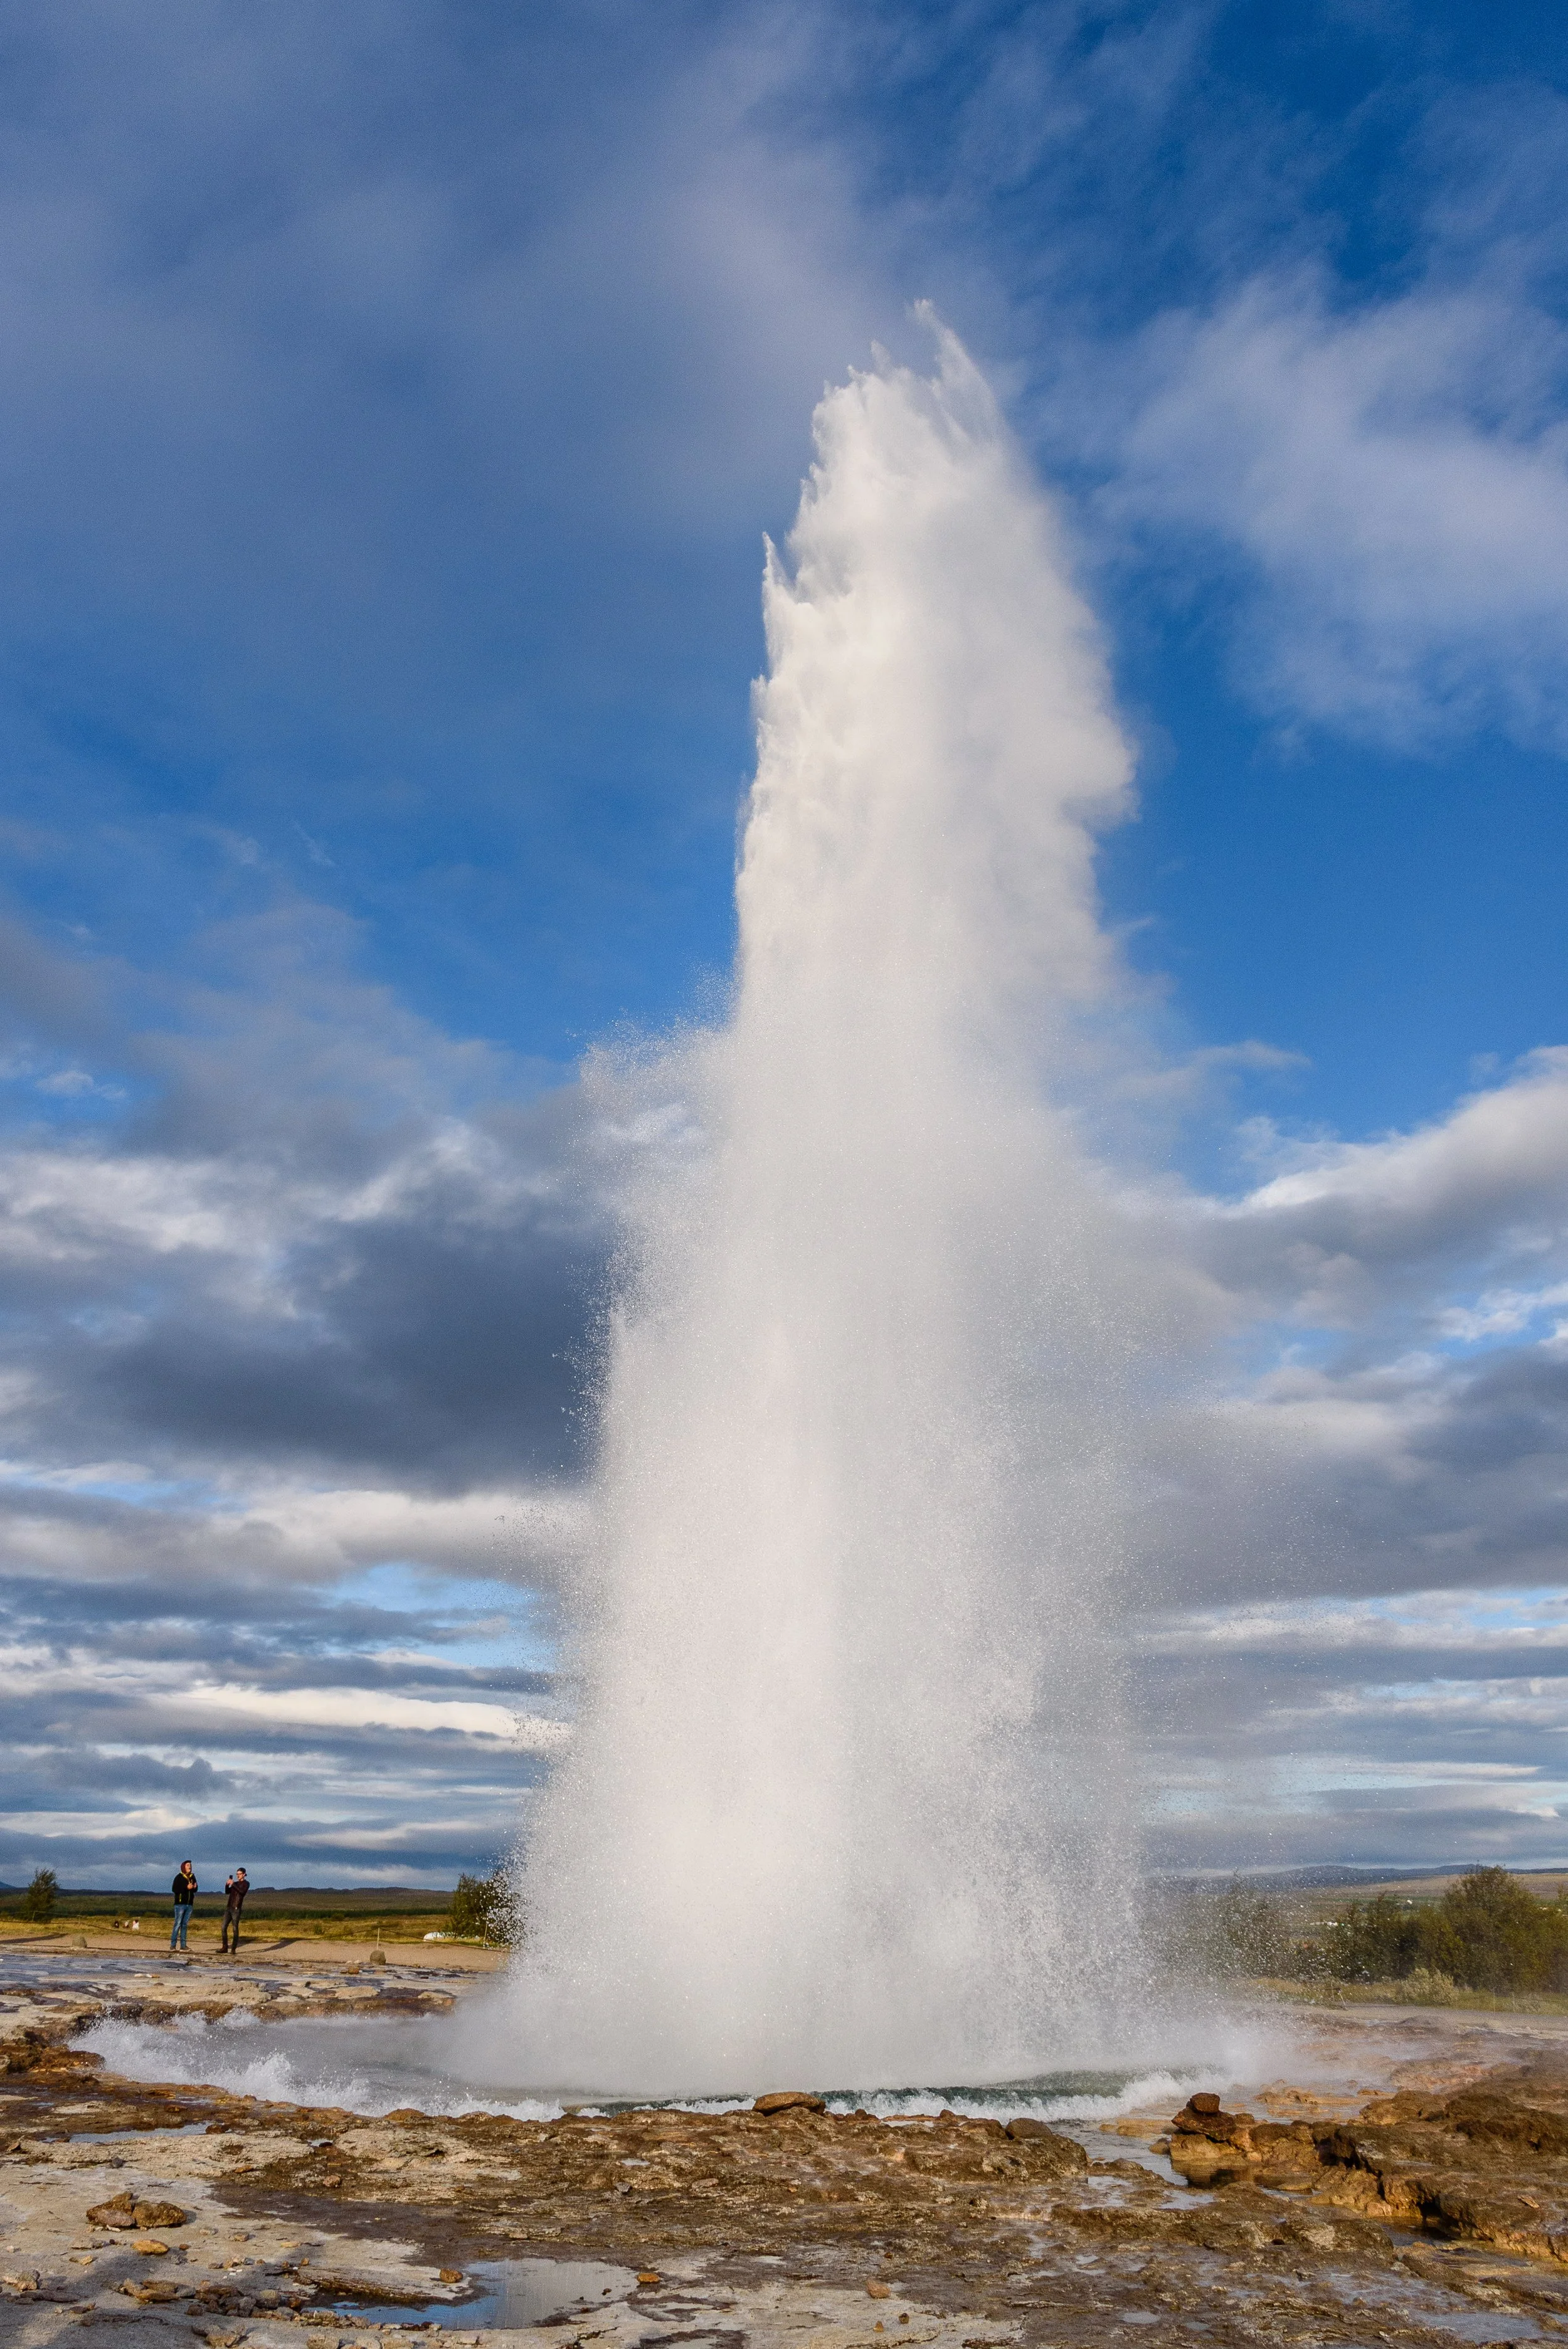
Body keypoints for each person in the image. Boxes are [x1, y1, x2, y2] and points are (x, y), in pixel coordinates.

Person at [169, 1860, 197, 1953]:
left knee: (185, 1925)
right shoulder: (179, 1877)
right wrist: (186, 1888)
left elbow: (195, 1890)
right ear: (184, 1867)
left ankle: (183, 1946)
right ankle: (173, 1946)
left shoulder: (193, 1877)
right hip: (180, 1904)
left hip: (189, 1904)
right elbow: (174, 1889)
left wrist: (195, 1887)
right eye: (188, 1865)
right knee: (177, 1924)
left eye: (190, 1865)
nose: (190, 1867)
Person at [220, 1867, 249, 1954]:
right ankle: (225, 1947)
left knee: (235, 1929)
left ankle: (233, 1949)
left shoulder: (246, 1883)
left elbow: (242, 1892)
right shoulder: (235, 1883)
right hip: (229, 1908)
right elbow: (227, 1892)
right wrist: (227, 1884)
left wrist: (233, 1884)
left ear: (244, 1874)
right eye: (237, 1874)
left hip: (236, 1908)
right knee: (223, 1927)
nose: (238, 1876)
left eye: (240, 1874)